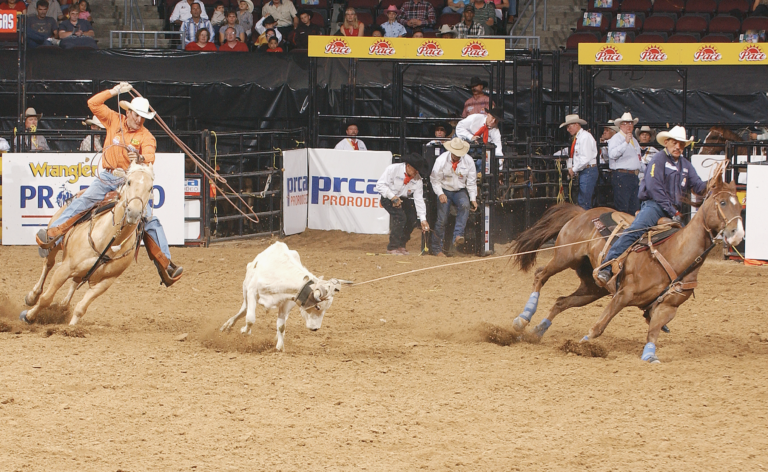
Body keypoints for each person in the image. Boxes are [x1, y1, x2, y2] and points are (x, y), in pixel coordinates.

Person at [36, 82, 184, 286]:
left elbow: (149, 158)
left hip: (129, 182)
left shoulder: (146, 137)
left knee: (149, 218)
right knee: (85, 199)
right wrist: (114, 91)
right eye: (136, 115)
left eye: (142, 116)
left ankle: (165, 264)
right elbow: (93, 103)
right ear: (129, 112)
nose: (139, 119)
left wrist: (139, 158)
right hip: (108, 177)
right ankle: (52, 234)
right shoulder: (114, 119)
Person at [596, 126, 708, 285]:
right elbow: (654, 188)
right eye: (675, 143)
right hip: (654, 206)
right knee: (635, 231)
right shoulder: (659, 159)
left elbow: (698, 186)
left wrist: (711, 184)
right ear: (667, 142)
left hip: (672, 211)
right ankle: (606, 267)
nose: (678, 147)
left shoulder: (686, 165)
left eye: (681, 144)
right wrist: (672, 211)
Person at [375, 153, 431, 255]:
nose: (417, 172)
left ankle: (401, 244)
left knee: (412, 219)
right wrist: (392, 197)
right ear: (408, 166)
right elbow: (380, 185)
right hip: (388, 196)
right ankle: (392, 247)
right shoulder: (393, 169)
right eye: (415, 169)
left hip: (403, 198)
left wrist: (423, 219)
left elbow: (418, 199)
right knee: (400, 217)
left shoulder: (417, 179)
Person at [430, 138, 477, 257]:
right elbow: (435, 180)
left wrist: (473, 198)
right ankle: (436, 248)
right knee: (442, 219)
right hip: (444, 189)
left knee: (465, 205)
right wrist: (440, 193)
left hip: (459, 190)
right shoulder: (441, 161)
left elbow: (471, 182)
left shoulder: (468, 161)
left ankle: (457, 236)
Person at [560, 114, 598, 210]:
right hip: (586, 170)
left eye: (569, 126)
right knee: (583, 199)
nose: (568, 129)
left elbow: (585, 159)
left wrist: (573, 169)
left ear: (577, 124)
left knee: (584, 201)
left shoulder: (584, 137)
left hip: (588, 170)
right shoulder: (579, 138)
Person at [607, 112, 642, 214]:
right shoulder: (616, 139)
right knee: (623, 207)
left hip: (633, 176)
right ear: (621, 125)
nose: (629, 126)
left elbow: (638, 159)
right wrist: (625, 143)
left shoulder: (634, 140)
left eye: (631, 123)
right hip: (622, 176)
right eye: (626, 123)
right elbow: (612, 154)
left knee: (633, 207)